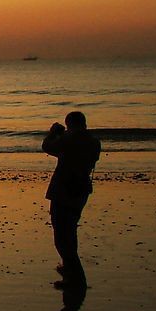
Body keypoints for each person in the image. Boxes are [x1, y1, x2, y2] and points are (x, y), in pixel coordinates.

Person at [42, 111, 101, 288]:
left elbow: (47, 146)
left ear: (70, 124)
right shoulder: (94, 141)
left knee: (61, 236)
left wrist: (53, 133)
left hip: (64, 188)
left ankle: (76, 277)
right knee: (70, 231)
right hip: (81, 188)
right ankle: (70, 274)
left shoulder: (69, 139)